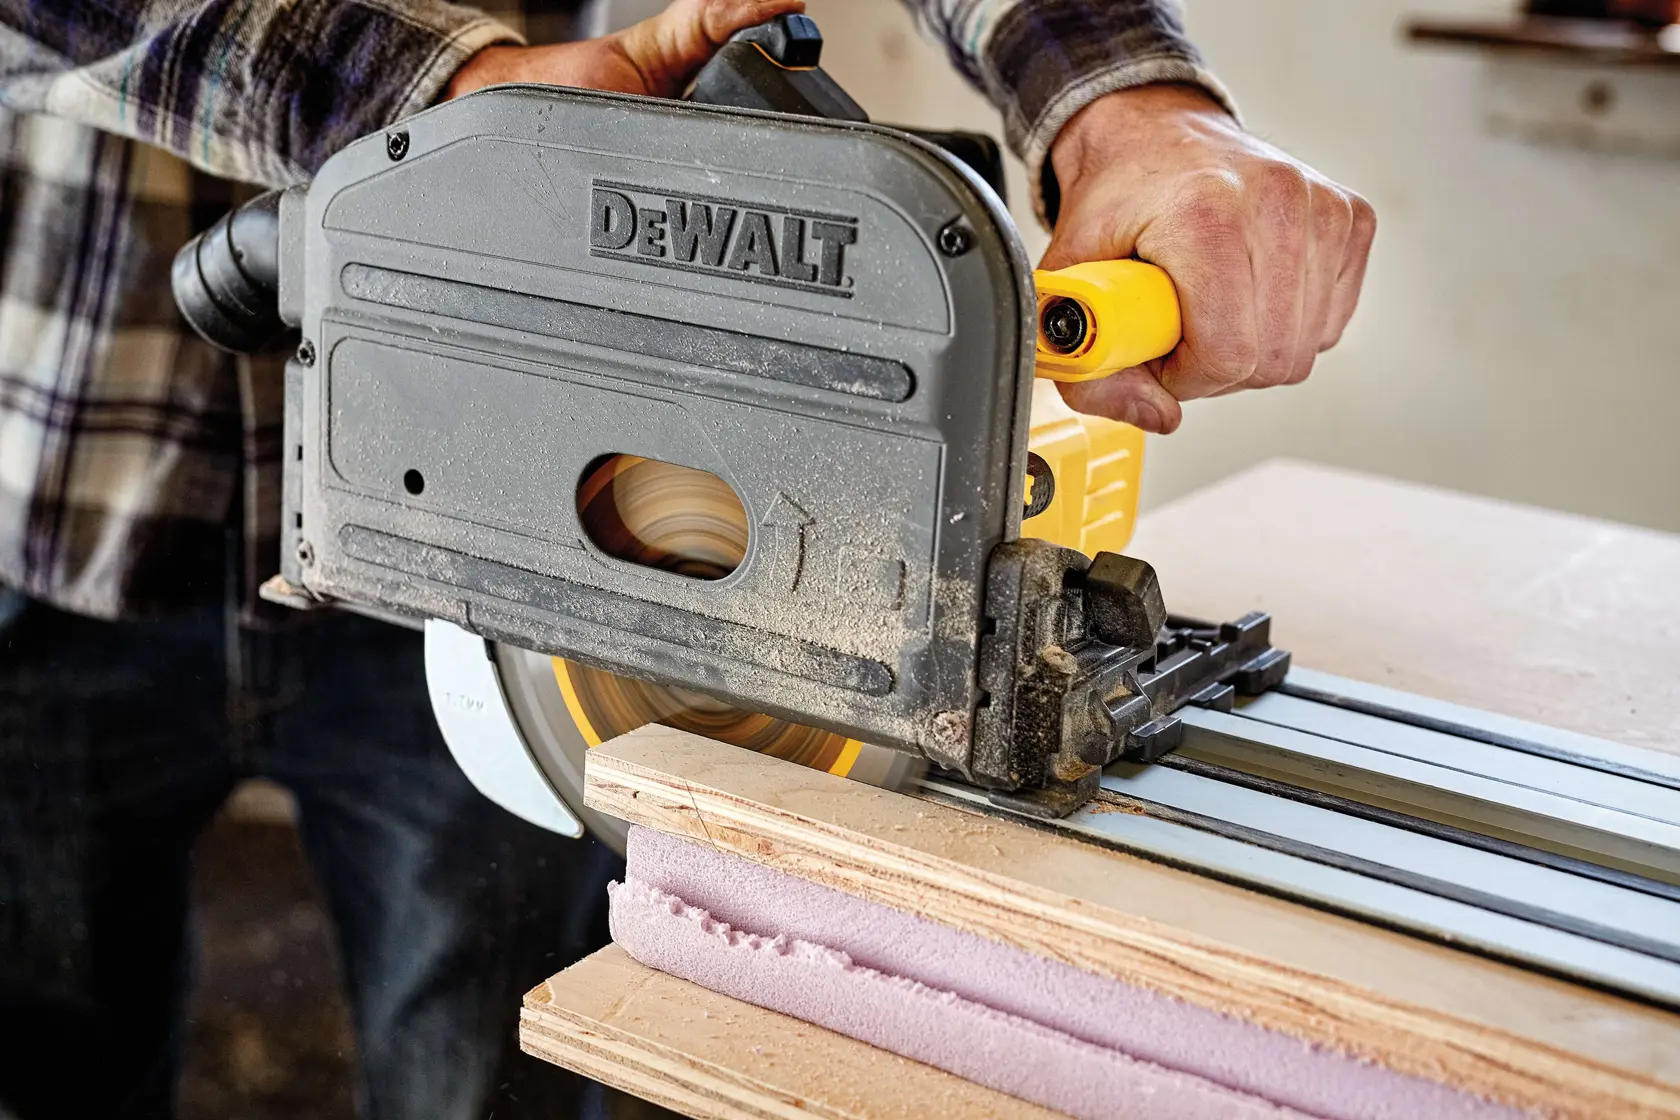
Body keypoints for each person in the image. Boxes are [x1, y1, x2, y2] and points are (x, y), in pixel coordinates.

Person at [0, 1, 1374, 1117]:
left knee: (491, 1078)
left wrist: (1131, 100)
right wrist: (444, 97)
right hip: (71, 499)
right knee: (48, 1055)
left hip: (533, 580)